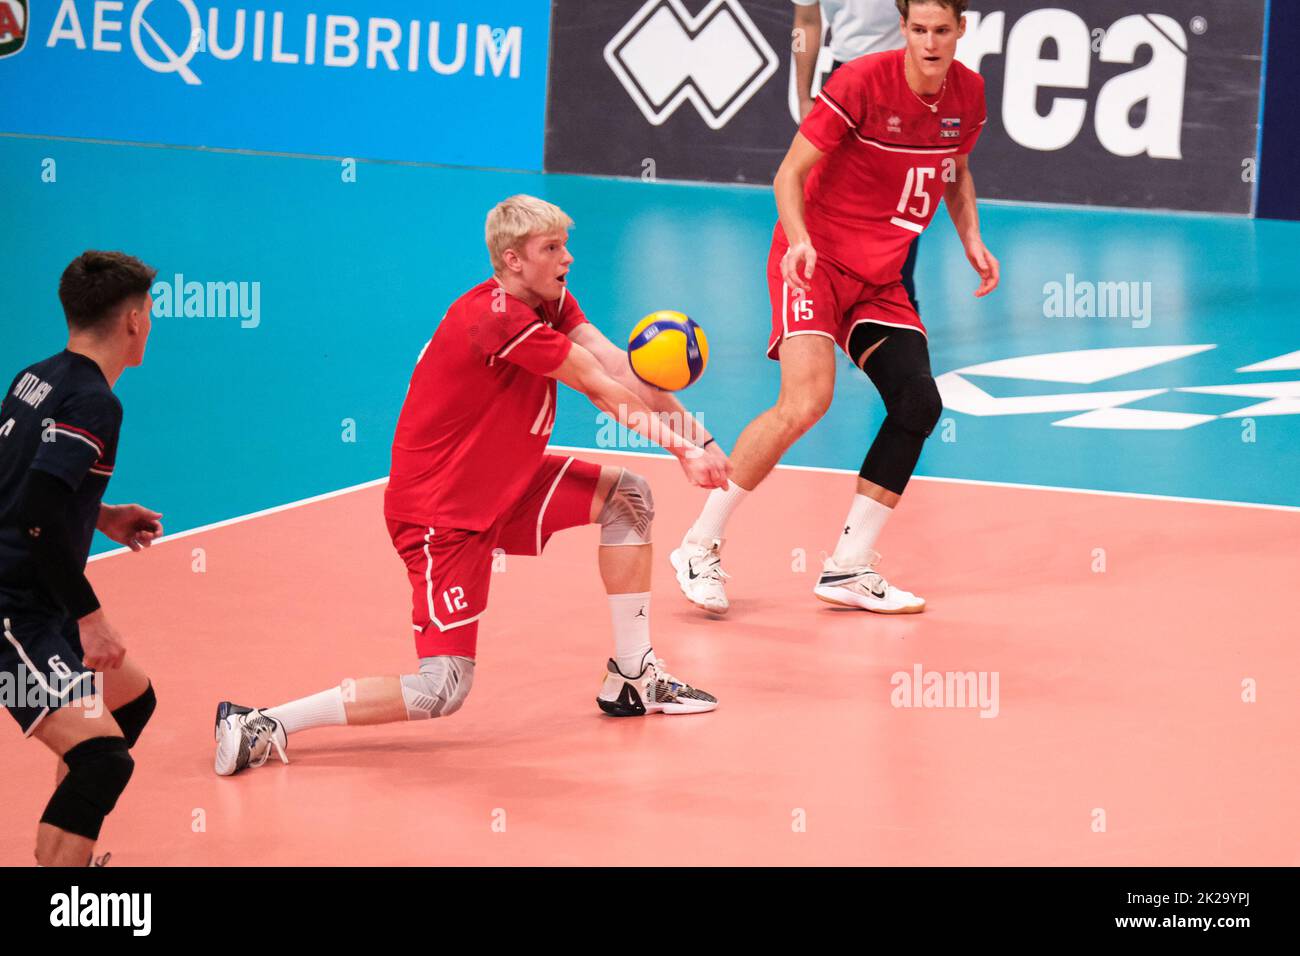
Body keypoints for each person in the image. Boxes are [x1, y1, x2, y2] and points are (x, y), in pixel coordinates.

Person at [214, 195, 729, 776]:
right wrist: (680, 447)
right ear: (512, 260)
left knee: (628, 496)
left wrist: (702, 441)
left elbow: (613, 363)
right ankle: (263, 722)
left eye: (565, 244)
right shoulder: (500, 318)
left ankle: (633, 678)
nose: (568, 258)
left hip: (507, 483)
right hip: (442, 514)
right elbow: (597, 386)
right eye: (552, 249)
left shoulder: (549, 300)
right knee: (444, 689)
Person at [672, 0, 998, 616]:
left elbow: (955, 171)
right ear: (903, 28)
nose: (930, 42)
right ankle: (698, 543)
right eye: (919, 29)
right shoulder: (860, 83)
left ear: (961, 30)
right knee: (807, 401)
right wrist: (798, 239)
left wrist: (972, 238)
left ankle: (849, 568)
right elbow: (789, 175)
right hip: (813, 263)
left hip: (879, 280)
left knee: (918, 402)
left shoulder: (970, 94)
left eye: (942, 30)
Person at [0, 251, 163, 865]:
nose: (149, 323)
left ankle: (68, 855)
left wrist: (99, 513)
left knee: (131, 701)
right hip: (14, 610)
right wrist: (90, 618)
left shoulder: (35, 376)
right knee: (101, 760)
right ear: (131, 321)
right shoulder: (97, 403)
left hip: (41, 590)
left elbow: (20, 479)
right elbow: (37, 512)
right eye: (149, 312)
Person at [792, 0, 925, 314]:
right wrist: (803, 96)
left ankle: (900, 303)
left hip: (904, 72)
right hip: (845, 76)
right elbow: (806, 21)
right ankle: (840, 301)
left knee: (902, 199)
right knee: (835, 198)